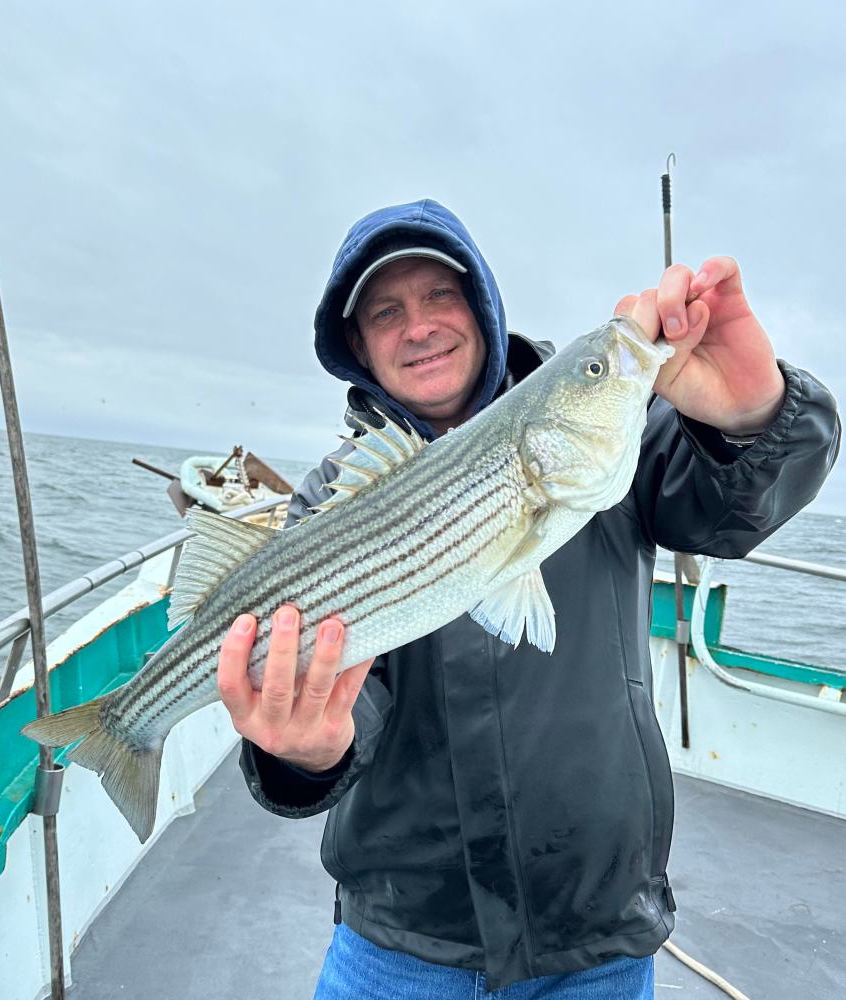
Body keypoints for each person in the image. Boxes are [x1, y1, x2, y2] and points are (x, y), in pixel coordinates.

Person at [216, 200, 840, 998]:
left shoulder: (606, 431)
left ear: (480, 307)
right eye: (386, 311)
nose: (418, 326)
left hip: (595, 935)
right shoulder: (331, 500)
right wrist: (305, 755)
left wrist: (756, 415)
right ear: (358, 346)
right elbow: (350, 704)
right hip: (402, 939)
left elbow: (730, 507)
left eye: (440, 296)